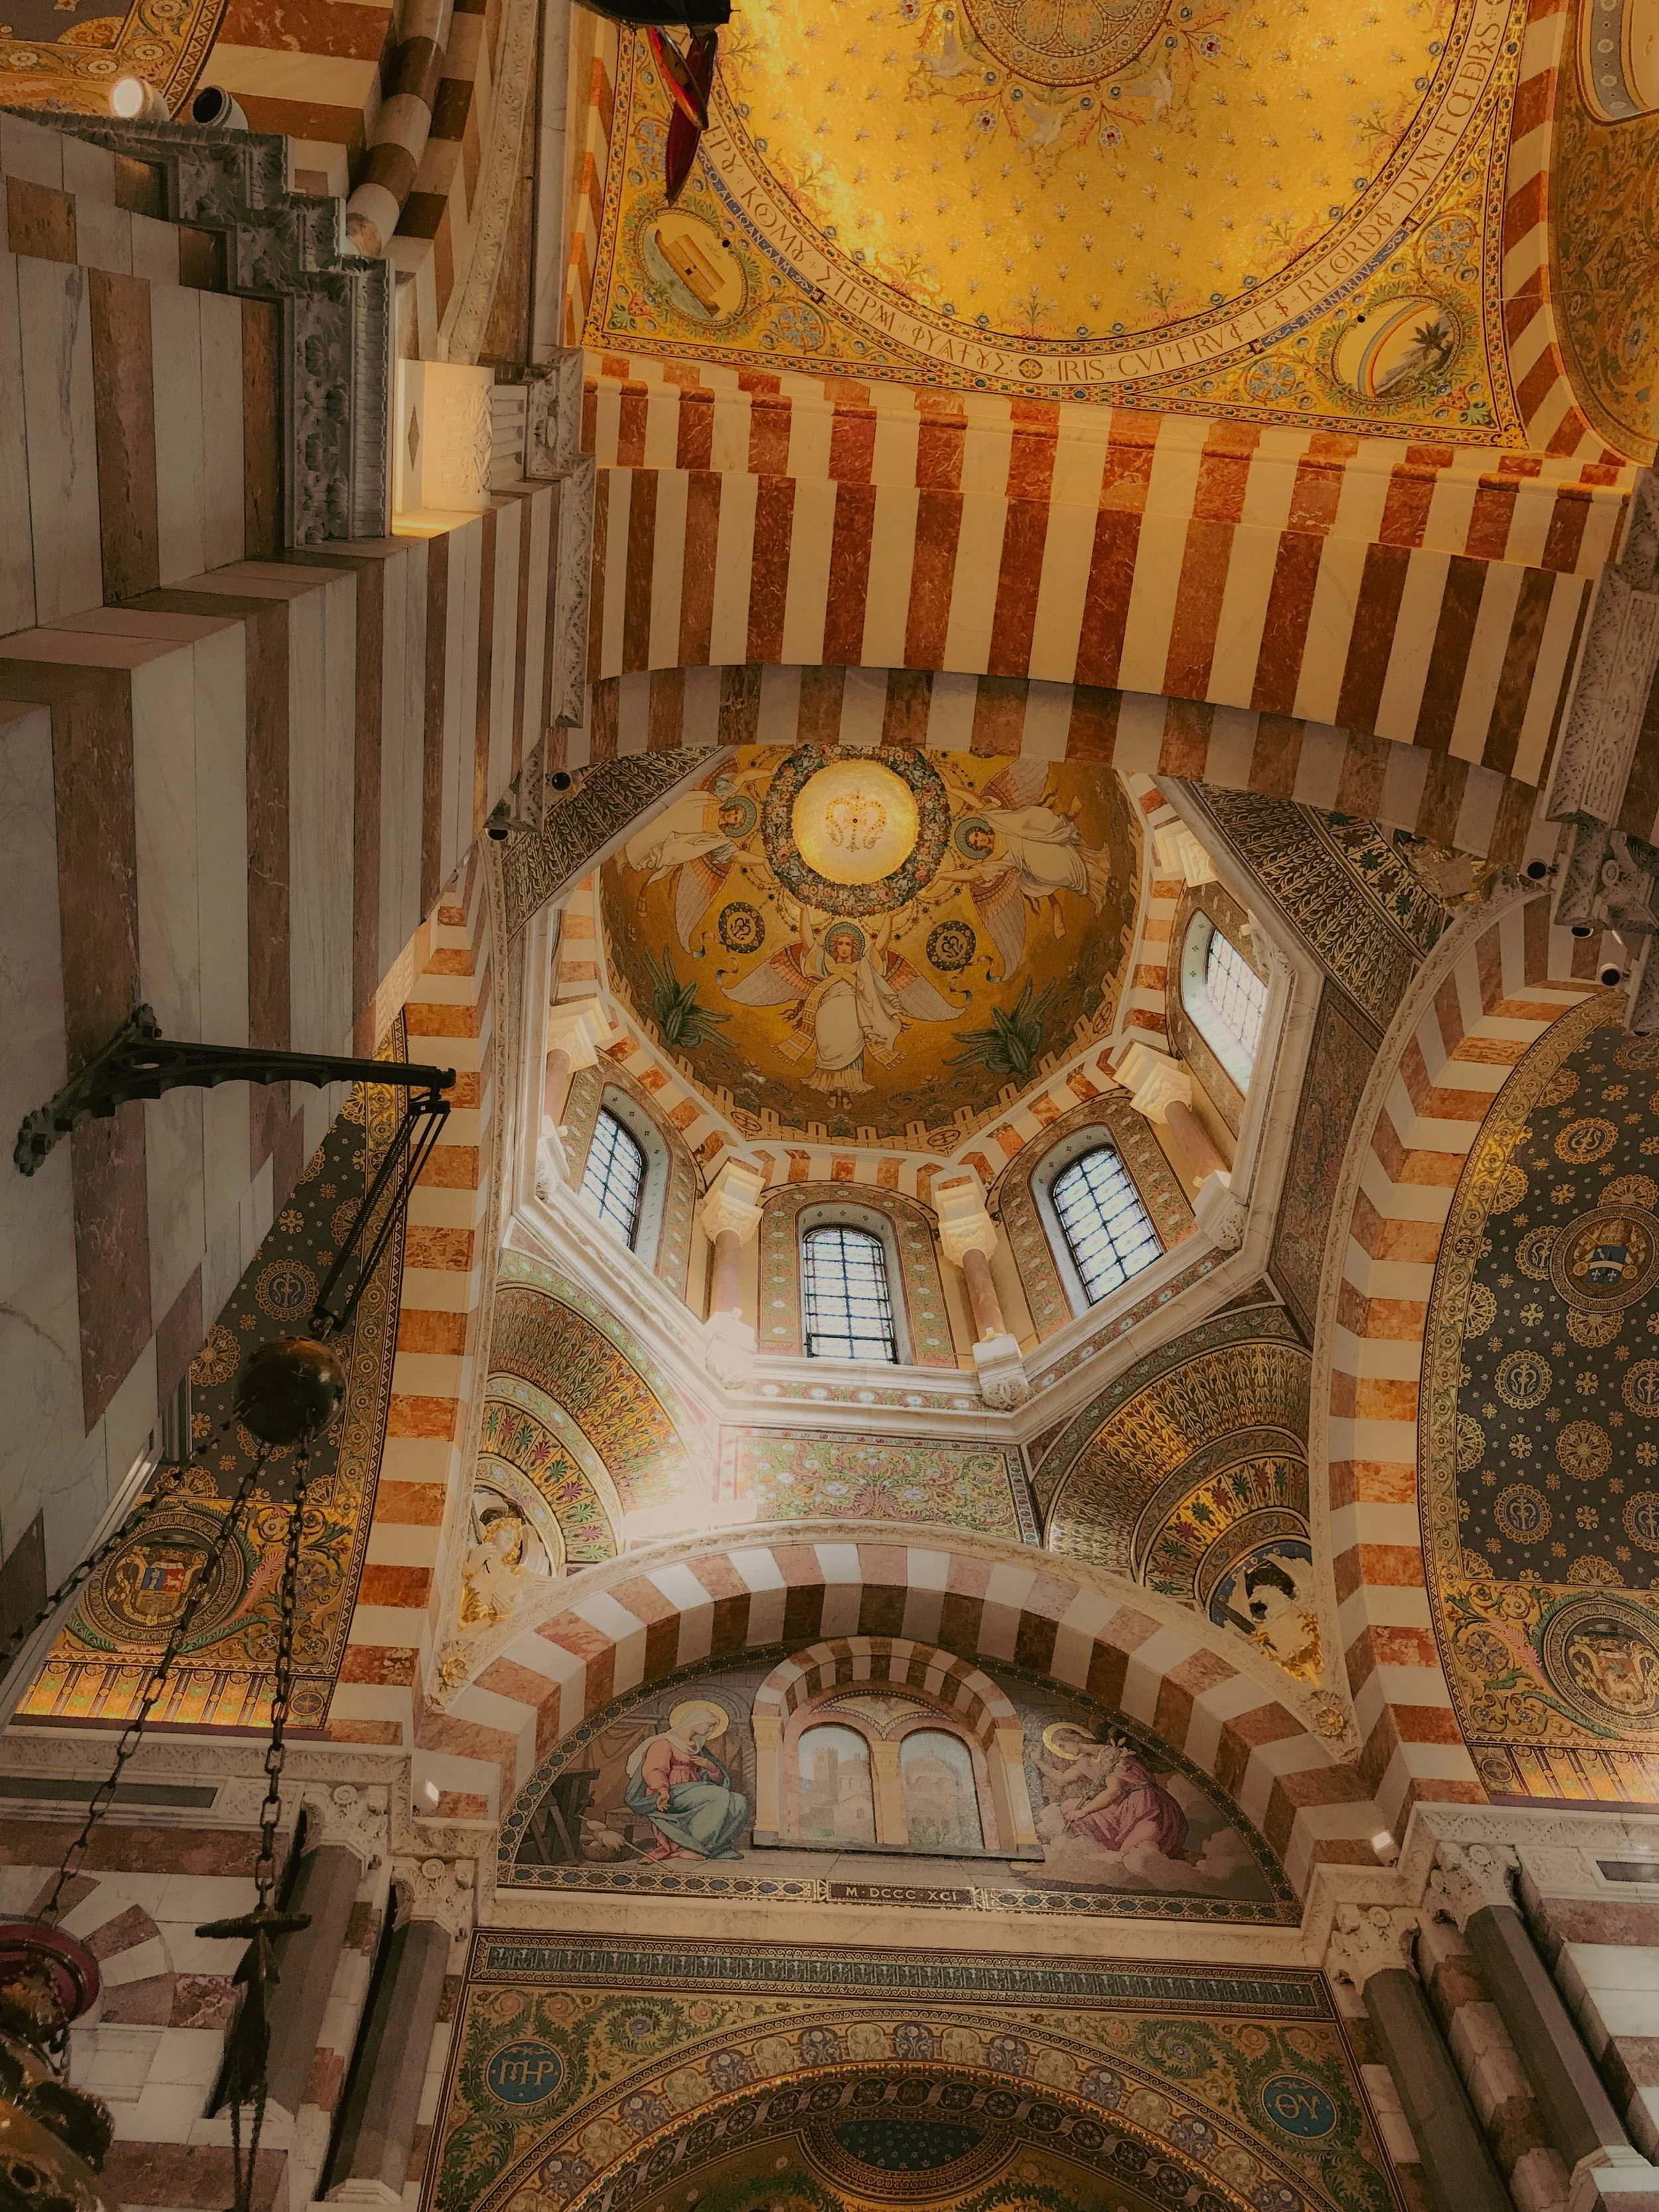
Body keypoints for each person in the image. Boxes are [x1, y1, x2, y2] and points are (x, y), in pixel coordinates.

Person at [1037, 1724, 1188, 1859]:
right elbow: (1061, 1779)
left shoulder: (1110, 1754)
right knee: (1069, 1806)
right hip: (1121, 1807)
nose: (1062, 1750)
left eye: (1062, 1745)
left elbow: (1114, 1791)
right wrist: (1038, 1761)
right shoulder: (1086, 1761)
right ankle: (1105, 1849)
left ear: (1074, 1738)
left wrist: (1083, 1812)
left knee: (1130, 1854)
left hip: (1144, 1804)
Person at [622, 1699, 749, 1859]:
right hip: (669, 1791)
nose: (712, 1729)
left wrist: (710, 1767)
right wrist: (663, 1791)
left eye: (714, 1726)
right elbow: (655, 1770)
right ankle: (688, 1847)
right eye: (709, 1725)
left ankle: (712, 1846)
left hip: (694, 1791)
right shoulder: (664, 1743)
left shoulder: (698, 1748)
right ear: (696, 1721)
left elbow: (718, 1781)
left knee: (740, 1802)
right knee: (719, 1796)